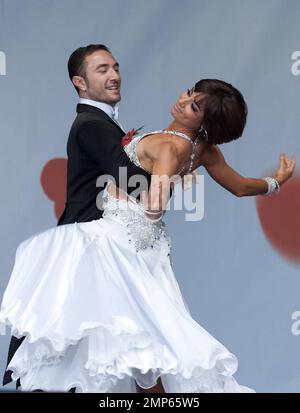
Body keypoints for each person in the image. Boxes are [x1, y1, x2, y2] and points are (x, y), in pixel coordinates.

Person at [0, 78, 295, 393]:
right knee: (141, 347)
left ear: (206, 124)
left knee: (112, 336)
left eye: (194, 106)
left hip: (119, 242)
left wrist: (151, 202)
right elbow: (239, 186)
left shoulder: (170, 146)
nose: (184, 100)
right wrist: (275, 182)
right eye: (190, 92)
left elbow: (154, 202)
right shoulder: (202, 150)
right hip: (149, 250)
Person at [2, 44, 152, 391]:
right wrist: (172, 164)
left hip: (97, 250)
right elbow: (135, 183)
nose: (114, 75)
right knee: (91, 356)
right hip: (90, 254)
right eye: (102, 70)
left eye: (115, 67)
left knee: (96, 357)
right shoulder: (92, 125)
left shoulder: (98, 122)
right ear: (79, 82)